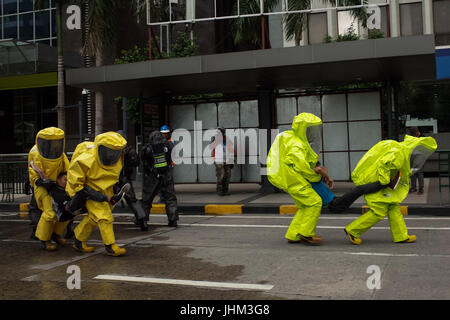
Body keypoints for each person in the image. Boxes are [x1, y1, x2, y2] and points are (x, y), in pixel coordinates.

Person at [344, 134, 437, 245]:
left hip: (383, 186)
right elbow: (384, 164)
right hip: (377, 184)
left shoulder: (402, 151)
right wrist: (384, 182)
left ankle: (401, 236)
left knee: (394, 207)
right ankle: (352, 230)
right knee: (378, 212)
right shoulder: (400, 153)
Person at [266, 113, 326, 245]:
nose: (311, 132)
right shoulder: (296, 144)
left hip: (291, 179)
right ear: (302, 128)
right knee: (315, 202)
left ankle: (293, 235)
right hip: (295, 180)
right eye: (309, 129)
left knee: (305, 206)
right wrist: (316, 176)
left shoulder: (293, 138)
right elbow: (302, 167)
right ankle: (306, 234)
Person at [66, 132, 128, 256]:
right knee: (104, 217)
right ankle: (110, 246)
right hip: (89, 190)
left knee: (94, 218)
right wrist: (102, 197)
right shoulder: (85, 160)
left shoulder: (116, 159)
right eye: (109, 151)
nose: (112, 155)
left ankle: (78, 240)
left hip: (106, 189)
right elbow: (78, 185)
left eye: (115, 151)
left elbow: (112, 177)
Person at [29, 127, 70, 251]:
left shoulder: (60, 154)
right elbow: (33, 173)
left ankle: (55, 234)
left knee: (68, 210)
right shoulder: (35, 153)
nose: (54, 145)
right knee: (49, 213)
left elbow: (67, 169)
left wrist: (64, 179)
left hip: (56, 184)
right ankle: (44, 239)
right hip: (41, 186)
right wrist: (40, 181)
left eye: (57, 142)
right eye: (51, 142)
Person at [140, 130, 178, 228]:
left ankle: (143, 220)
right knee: (170, 198)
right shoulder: (169, 145)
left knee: (147, 199)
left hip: (153, 175)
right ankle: (173, 219)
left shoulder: (148, 147)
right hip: (166, 174)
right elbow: (172, 157)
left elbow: (143, 159)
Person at [115, 130, 147, 230]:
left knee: (107, 199)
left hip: (114, 179)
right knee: (132, 200)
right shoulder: (130, 150)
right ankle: (142, 220)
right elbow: (137, 163)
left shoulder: (113, 149)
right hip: (126, 179)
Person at [209, 127, 236, 196]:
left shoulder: (226, 138)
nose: (222, 133)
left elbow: (230, 149)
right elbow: (211, 147)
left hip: (227, 160)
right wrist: (217, 139)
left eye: (223, 132)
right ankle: (219, 190)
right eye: (220, 132)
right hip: (218, 160)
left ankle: (225, 190)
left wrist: (232, 160)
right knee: (221, 175)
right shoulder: (214, 138)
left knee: (228, 175)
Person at [408, 127, 425, 195]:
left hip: (420, 157)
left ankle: (421, 188)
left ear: (417, 132)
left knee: (419, 173)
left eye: (414, 134)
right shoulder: (413, 138)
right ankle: (413, 187)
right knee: (413, 173)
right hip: (413, 157)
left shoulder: (422, 137)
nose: (413, 136)